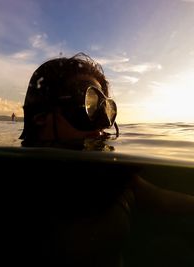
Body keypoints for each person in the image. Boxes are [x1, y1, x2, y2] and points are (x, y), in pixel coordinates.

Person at [19, 52, 194, 266]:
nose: (101, 125)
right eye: (89, 105)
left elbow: (161, 199)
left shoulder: (113, 179)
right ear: (40, 117)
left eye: (105, 109)